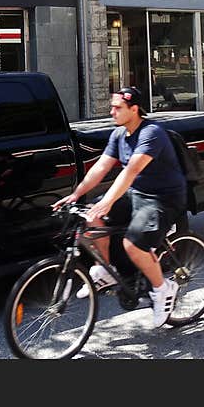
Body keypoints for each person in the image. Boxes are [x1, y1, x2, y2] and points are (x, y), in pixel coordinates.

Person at [52, 86, 187, 328]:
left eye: (117, 108)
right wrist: (76, 195)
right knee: (90, 218)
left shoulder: (151, 133)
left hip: (163, 198)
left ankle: (163, 289)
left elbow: (131, 171)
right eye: (112, 107)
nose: (112, 112)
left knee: (132, 245)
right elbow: (100, 168)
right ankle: (105, 269)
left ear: (134, 110)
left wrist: (107, 202)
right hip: (136, 193)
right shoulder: (118, 135)